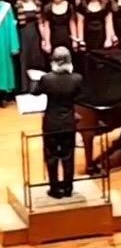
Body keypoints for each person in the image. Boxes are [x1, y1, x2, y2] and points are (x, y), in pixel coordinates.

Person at [30, 47, 83, 199]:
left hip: (51, 123)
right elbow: (81, 94)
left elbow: (34, 91)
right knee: (68, 156)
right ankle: (68, 188)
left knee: (51, 155)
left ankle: (55, 189)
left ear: (53, 61)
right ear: (69, 62)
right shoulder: (77, 79)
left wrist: (35, 78)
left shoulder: (47, 79)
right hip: (68, 122)